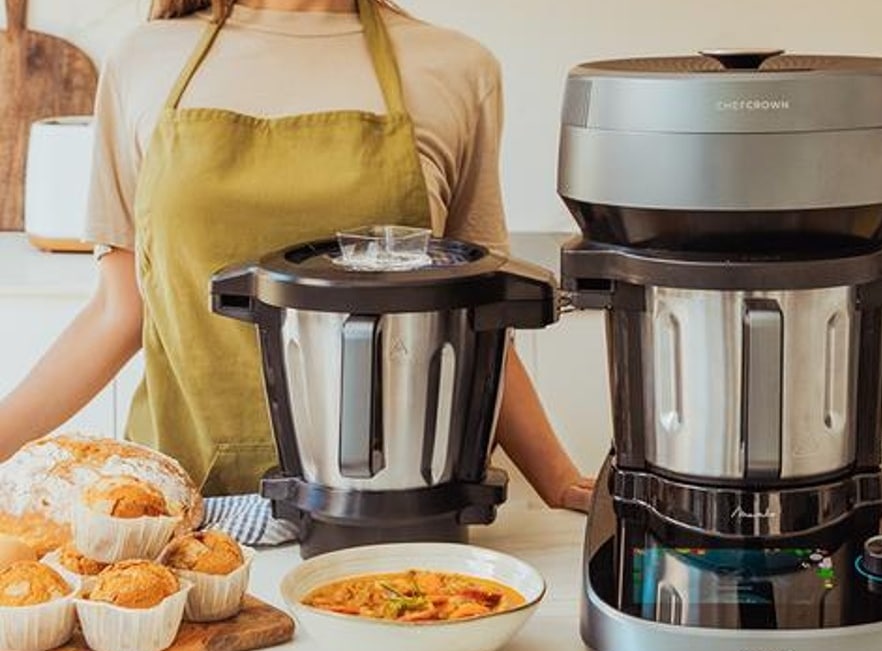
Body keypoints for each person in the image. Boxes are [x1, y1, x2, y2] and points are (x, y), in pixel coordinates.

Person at [0, 0, 594, 514]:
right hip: (186, 509)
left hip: (397, 509)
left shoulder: (457, 69)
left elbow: (480, 316)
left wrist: (558, 479)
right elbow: (118, 311)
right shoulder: (143, 61)